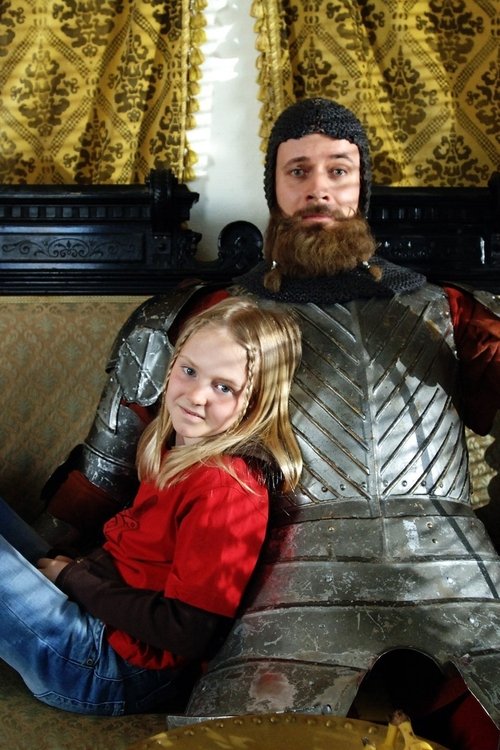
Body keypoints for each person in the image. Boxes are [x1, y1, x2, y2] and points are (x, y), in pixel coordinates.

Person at [34, 98, 500, 747]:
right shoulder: (207, 315)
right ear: (274, 188)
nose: (319, 189)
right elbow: (110, 465)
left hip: (454, 575)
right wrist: (46, 560)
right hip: (288, 585)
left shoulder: (451, 311)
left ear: (362, 184)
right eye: (297, 171)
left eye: (338, 170)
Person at [0, 296, 303, 715]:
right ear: (172, 363)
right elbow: (140, 559)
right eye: (189, 371)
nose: (196, 396)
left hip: (111, 669)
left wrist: (72, 577)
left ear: (257, 401)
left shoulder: (225, 488)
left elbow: (189, 631)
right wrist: (76, 572)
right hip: (98, 612)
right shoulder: (175, 446)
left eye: (224, 387)